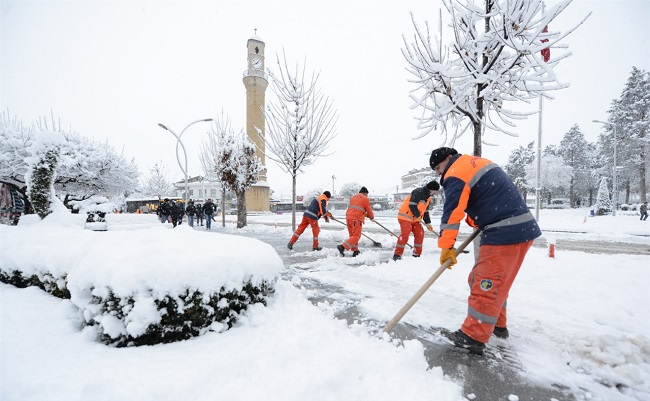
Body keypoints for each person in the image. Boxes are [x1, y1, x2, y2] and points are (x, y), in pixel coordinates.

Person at [430, 147, 541, 355]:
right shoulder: (476, 163)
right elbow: (485, 201)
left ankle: (473, 336)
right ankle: (497, 324)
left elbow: (452, 212)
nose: (438, 174)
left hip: (505, 231)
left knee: (485, 283)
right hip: (516, 227)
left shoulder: (455, 173)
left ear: (448, 158)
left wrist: (446, 246)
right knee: (488, 280)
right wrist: (478, 222)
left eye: (437, 167)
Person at [392, 181, 440, 261]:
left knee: (420, 234)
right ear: (432, 189)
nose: (435, 193)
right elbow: (412, 205)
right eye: (435, 191)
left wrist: (428, 223)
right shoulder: (418, 192)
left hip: (415, 219)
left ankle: (417, 254)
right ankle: (397, 255)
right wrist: (418, 215)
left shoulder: (428, 198)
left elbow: (426, 212)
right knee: (405, 235)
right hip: (405, 217)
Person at [337, 187, 374, 257]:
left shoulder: (353, 197)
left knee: (352, 236)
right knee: (356, 236)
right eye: (367, 194)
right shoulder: (365, 198)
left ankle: (355, 250)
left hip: (349, 217)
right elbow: (369, 209)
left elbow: (357, 208)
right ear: (365, 193)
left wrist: (366, 215)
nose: (367, 196)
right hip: (356, 219)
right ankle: (342, 247)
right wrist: (371, 217)